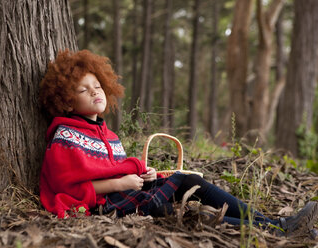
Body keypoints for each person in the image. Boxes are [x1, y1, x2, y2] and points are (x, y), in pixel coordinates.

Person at [39, 49, 318, 238]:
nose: (94, 92)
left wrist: (139, 175)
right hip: (106, 205)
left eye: (97, 86)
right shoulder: (66, 135)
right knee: (174, 213)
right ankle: (276, 231)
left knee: (185, 181)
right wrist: (120, 184)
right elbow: (69, 187)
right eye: (82, 90)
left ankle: (277, 223)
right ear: (66, 100)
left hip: (125, 193)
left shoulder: (106, 133)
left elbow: (112, 168)